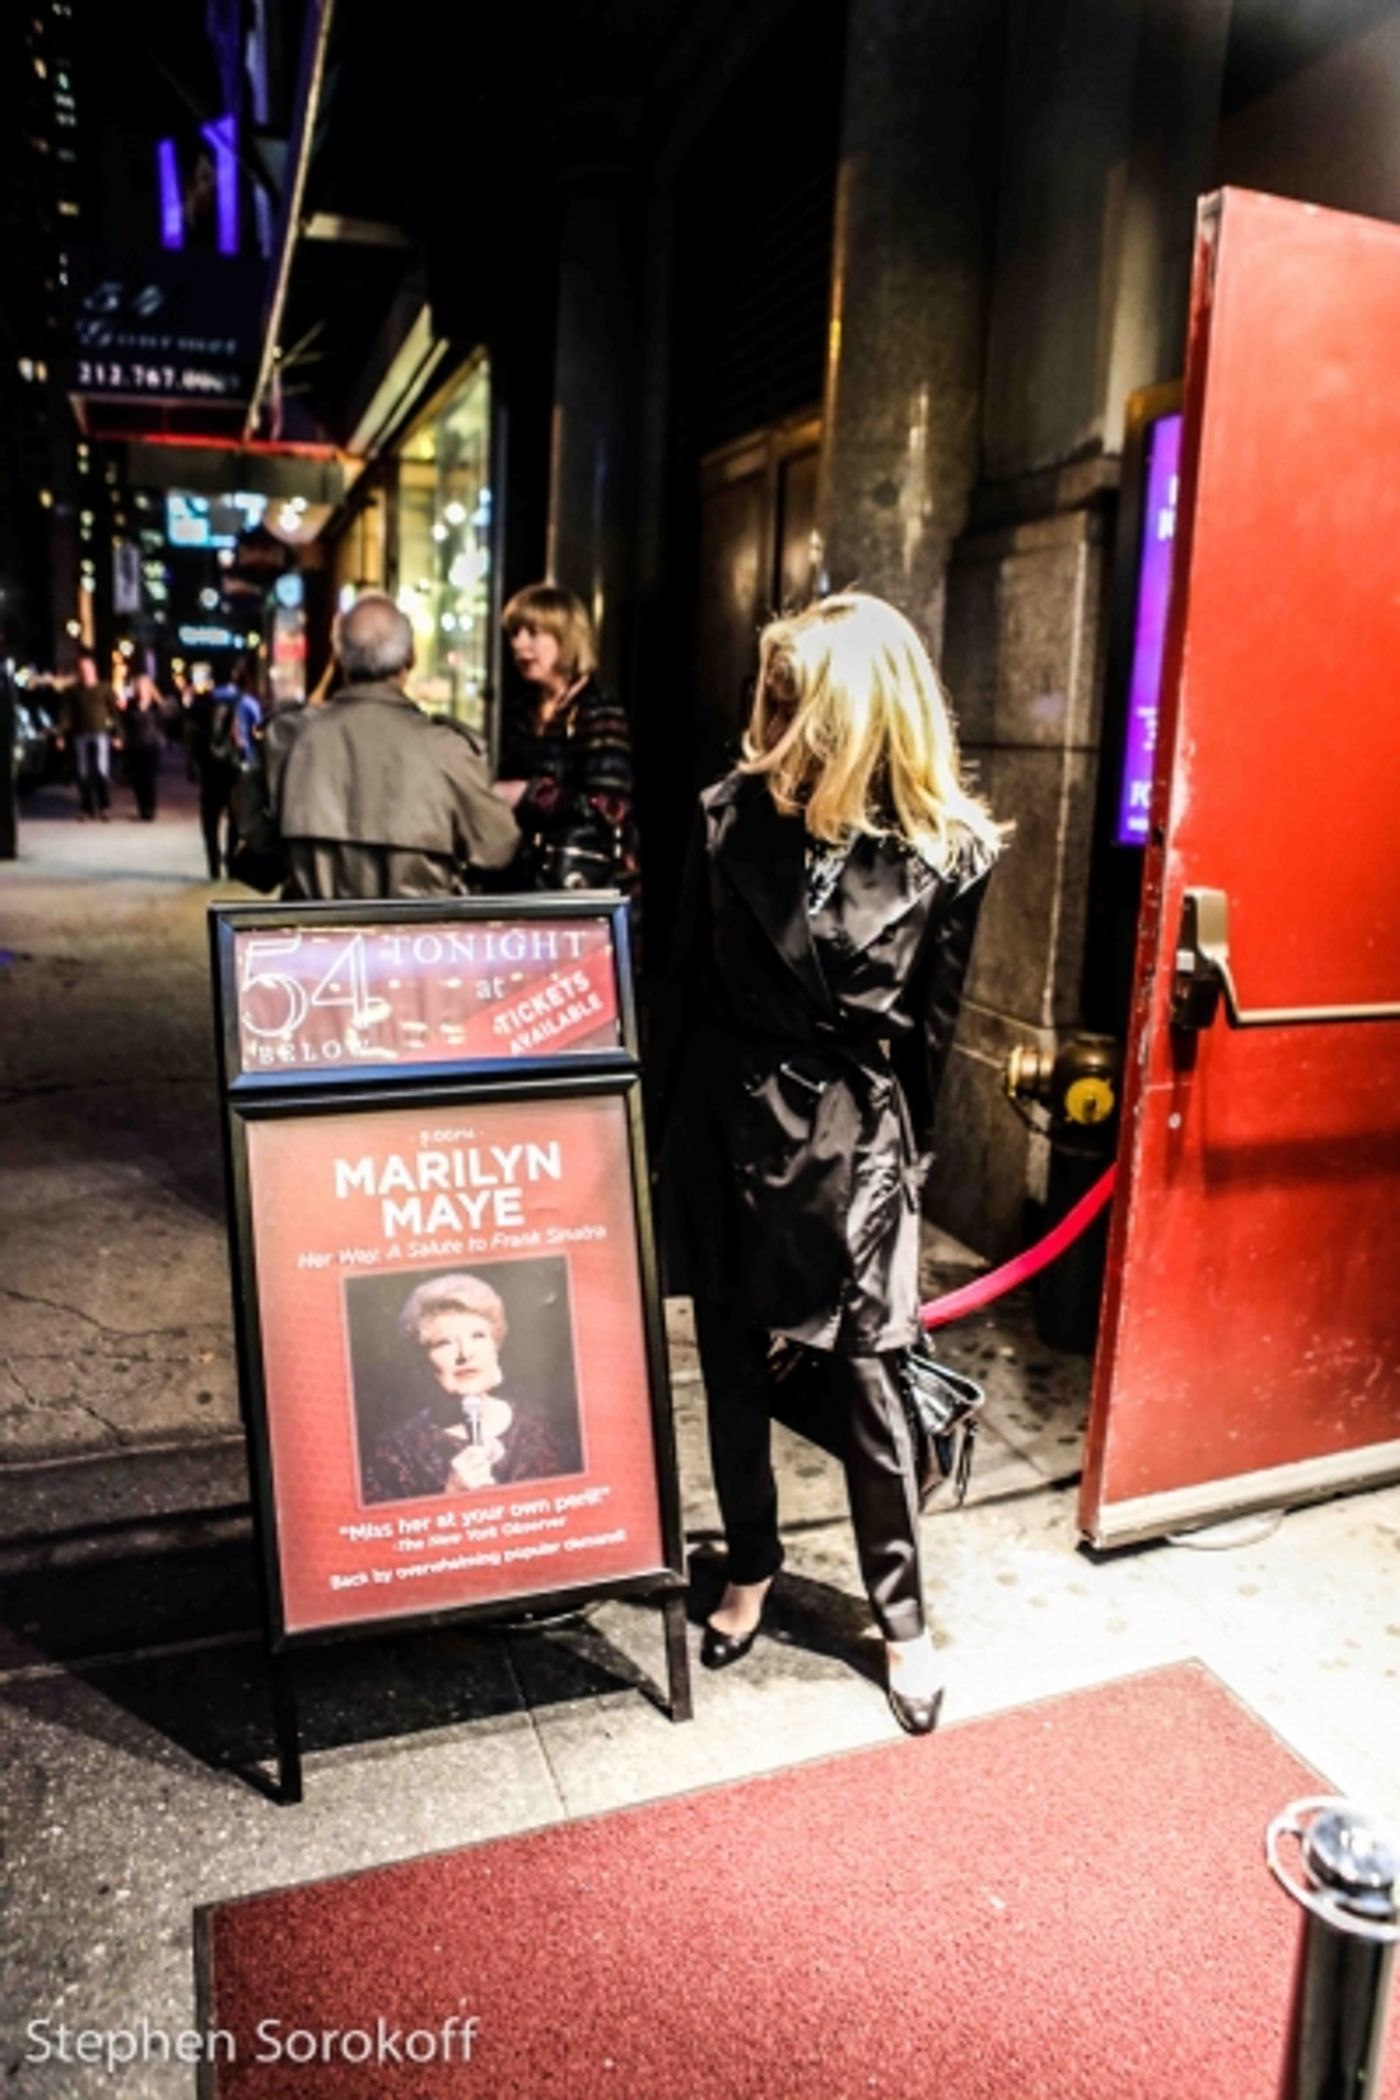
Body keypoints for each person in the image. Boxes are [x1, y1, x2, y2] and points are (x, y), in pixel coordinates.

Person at [655, 591, 1007, 1735]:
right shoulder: (721, 818)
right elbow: (675, 995)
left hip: (852, 1138)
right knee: (731, 1366)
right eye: (769, 693)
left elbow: (930, 1041)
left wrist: (903, 1174)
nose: (769, 721)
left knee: (867, 1381)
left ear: (854, 714)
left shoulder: (945, 852)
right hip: (722, 1119)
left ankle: (900, 1616)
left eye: (792, 700)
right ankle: (749, 1564)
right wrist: (656, 1154)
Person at [264, 592, 518, 898]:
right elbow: (498, 847)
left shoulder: (289, 740)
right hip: (419, 941)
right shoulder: (447, 749)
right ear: (410, 658)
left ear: (339, 656)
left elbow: (256, 846)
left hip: (314, 939)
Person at [362, 1273, 580, 1504]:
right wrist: (451, 1496)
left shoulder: (543, 1426)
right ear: (423, 1357)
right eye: (444, 1342)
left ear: (495, 1346)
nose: (465, 1353)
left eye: (478, 1336)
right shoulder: (397, 1450)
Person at [498, 584, 638, 898]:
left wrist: (529, 793)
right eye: (514, 633)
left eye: (533, 632)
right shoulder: (523, 709)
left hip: (584, 884)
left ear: (566, 637)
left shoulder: (597, 708)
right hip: (530, 882)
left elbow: (610, 806)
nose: (520, 644)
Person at [184, 670, 238, 877]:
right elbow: (243, 735)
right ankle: (232, 861)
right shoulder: (238, 702)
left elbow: (190, 735)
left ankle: (213, 864)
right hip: (231, 768)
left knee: (210, 818)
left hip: (208, 768)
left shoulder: (199, 704)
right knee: (235, 818)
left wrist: (190, 764)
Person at [61, 651, 117, 821]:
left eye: (87, 668)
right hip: (81, 734)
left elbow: (113, 712)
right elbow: (66, 714)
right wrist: (61, 734)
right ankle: (86, 807)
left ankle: (104, 806)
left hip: (100, 733)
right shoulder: (74, 691)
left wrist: (117, 734)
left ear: (94, 670)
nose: (85, 672)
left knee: (101, 771)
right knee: (83, 772)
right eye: (82, 669)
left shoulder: (104, 688)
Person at [119, 669, 164, 822]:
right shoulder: (131, 704)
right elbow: (124, 723)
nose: (142, 689)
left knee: (149, 778)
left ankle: (150, 808)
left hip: (151, 745)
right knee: (138, 779)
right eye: (139, 686)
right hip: (135, 745)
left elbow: (165, 721)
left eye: (145, 686)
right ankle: (142, 807)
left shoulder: (156, 705)